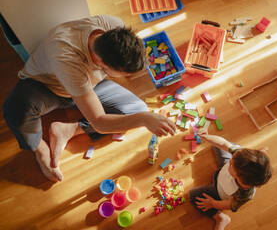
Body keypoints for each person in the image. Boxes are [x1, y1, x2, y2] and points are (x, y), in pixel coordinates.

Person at [3, 15, 176, 182]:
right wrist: (145, 120)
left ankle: (69, 129)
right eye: (124, 74)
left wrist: (142, 116)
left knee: (136, 110)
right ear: (103, 64)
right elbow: (100, 122)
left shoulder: (113, 26)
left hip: (89, 86)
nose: (126, 77)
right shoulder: (67, 58)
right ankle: (39, 149)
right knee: (16, 109)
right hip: (49, 88)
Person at [189, 130, 272, 230]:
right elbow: (223, 143)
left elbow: (230, 205)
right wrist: (206, 137)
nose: (230, 162)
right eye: (232, 159)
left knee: (194, 196)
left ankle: (220, 218)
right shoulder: (239, 157)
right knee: (218, 145)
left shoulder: (244, 194)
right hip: (222, 172)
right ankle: (259, 154)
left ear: (240, 180)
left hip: (218, 191)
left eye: (232, 164)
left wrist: (213, 204)